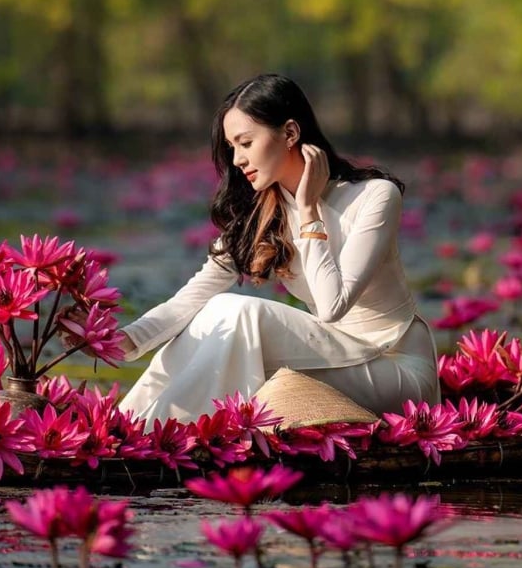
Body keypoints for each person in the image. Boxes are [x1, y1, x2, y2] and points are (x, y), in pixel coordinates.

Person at [113, 73, 440, 424]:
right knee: (212, 313)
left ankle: (158, 431)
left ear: (290, 133)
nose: (237, 159)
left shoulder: (374, 196)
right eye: (232, 147)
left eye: (246, 143)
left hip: (395, 370)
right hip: (330, 355)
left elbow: (332, 307)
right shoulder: (264, 212)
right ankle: (126, 423)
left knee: (240, 313)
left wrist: (309, 209)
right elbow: (191, 299)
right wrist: (120, 340)